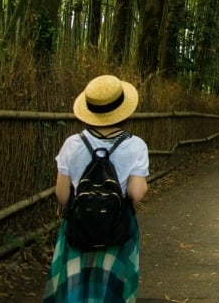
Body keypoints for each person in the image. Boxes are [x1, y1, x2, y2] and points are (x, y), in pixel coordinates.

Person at [43, 74, 150, 302]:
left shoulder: (72, 144)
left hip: (78, 226)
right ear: (124, 110)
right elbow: (136, 193)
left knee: (75, 288)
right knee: (112, 291)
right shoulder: (136, 145)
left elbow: (62, 195)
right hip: (118, 227)